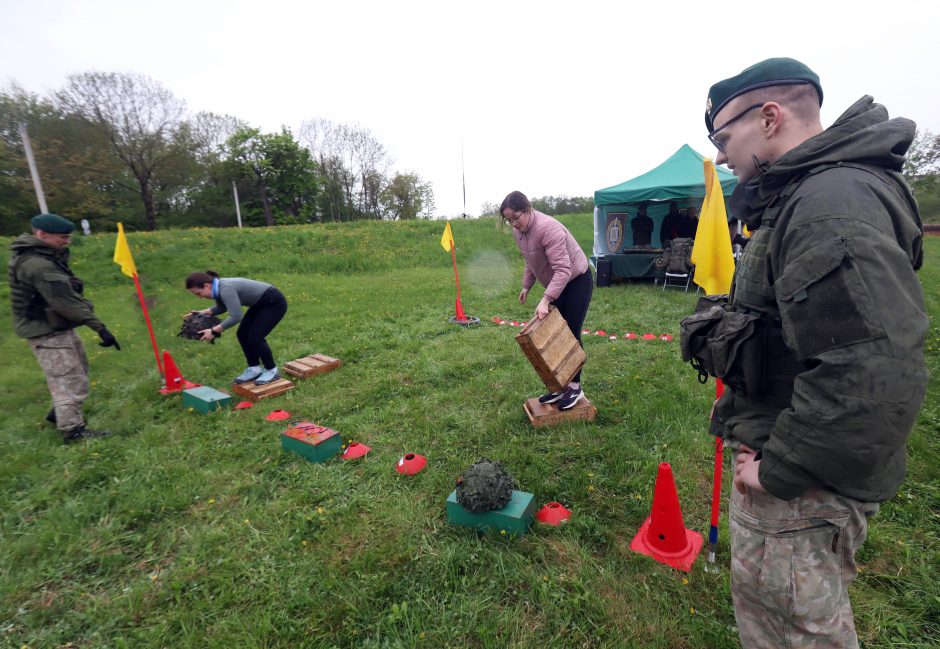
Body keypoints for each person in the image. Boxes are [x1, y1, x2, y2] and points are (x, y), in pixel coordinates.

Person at [698, 58, 927, 648]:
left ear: (770, 117)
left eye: (725, 138)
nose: (722, 156)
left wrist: (780, 470)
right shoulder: (811, 196)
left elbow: (874, 371)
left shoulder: (829, 203)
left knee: (795, 631)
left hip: (799, 488)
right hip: (797, 462)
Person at [8, 214, 121, 443]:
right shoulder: (38, 264)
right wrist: (100, 328)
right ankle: (73, 430)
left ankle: (59, 412)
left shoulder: (43, 256)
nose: (66, 241)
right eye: (62, 237)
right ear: (42, 234)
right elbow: (65, 302)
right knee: (69, 379)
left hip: (55, 327)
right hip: (46, 331)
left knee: (78, 370)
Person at [501, 191, 593, 410]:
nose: (514, 223)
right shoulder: (519, 232)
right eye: (509, 220)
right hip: (558, 284)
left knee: (569, 332)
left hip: (577, 281)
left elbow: (563, 269)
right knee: (554, 333)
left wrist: (545, 299)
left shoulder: (548, 228)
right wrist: (526, 286)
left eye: (516, 217)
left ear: (527, 209)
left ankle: (574, 387)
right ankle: (560, 385)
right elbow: (530, 260)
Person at [185, 271, 288, 385]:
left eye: (199, 293)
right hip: (260, 303)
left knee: (256, 337)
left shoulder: (225, 288)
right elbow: (222, 307)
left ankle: (271, 370)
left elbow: (236, 316)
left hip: (273, 303)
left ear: (207, 286)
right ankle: (254, 369)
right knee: (242, 334)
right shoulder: (218, 287)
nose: (200, 297)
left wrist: (214, 331)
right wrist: (201, 313)